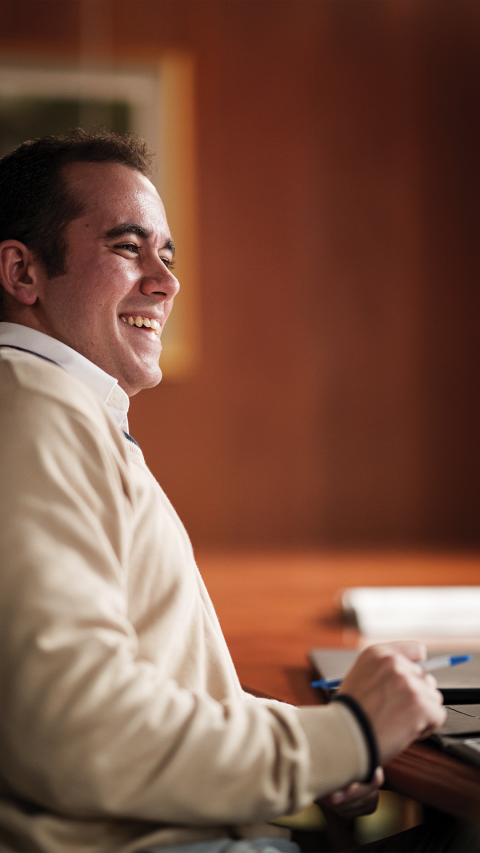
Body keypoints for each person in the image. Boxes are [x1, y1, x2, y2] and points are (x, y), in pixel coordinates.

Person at [0, 130, 453, 853]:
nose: (165, 281)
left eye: (167, 255)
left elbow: (156, 686)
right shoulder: (34, 406)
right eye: (127, 247)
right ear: (22, 272)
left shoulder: (62, 408)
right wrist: (349, 734)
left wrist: (321, 744)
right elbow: (75, 730)